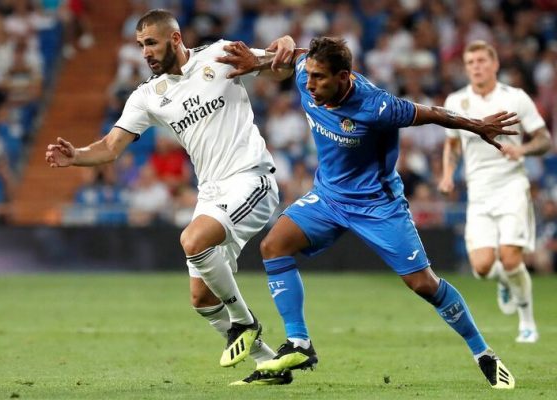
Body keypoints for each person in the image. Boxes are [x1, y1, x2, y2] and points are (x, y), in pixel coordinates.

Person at [218, 36, 519, 389]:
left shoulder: (378, 107)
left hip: (378, 205)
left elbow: (434, 113)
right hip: (329, 198)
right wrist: (262, 61)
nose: (310, 85)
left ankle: (482, 352)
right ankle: (300, 343)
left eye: (321, 78)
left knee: (423, 284)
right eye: (310, 76)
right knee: (274, 246)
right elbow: (296, 55)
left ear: (344, 76)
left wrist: (477, 125)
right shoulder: (304, 72)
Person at [45, 9, 287, 386]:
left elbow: (281, 68)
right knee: (202, 300)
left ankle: (244, 321)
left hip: (250, 178)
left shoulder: (219, 56)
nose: (145, 52)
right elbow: (110, 147)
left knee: (191, 240)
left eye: (152, 43)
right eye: (141, 45)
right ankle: (271, 365)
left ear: (175, 39)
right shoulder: (148, 97)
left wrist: (282, 50)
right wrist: (76, 156)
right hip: (211, 192)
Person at [439, 40, 551, 344]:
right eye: (470, 62)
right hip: (478, 191)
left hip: (512, 185)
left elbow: (544, 139)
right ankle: (504, 281)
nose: (476, 66)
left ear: (494, 64)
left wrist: (523, 150)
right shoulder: (456, 101)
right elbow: (451, 144)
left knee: (512, 258)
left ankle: (527, 323)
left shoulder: (515, 98)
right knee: (483, 267)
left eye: (481, 61)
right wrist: (448, 175)